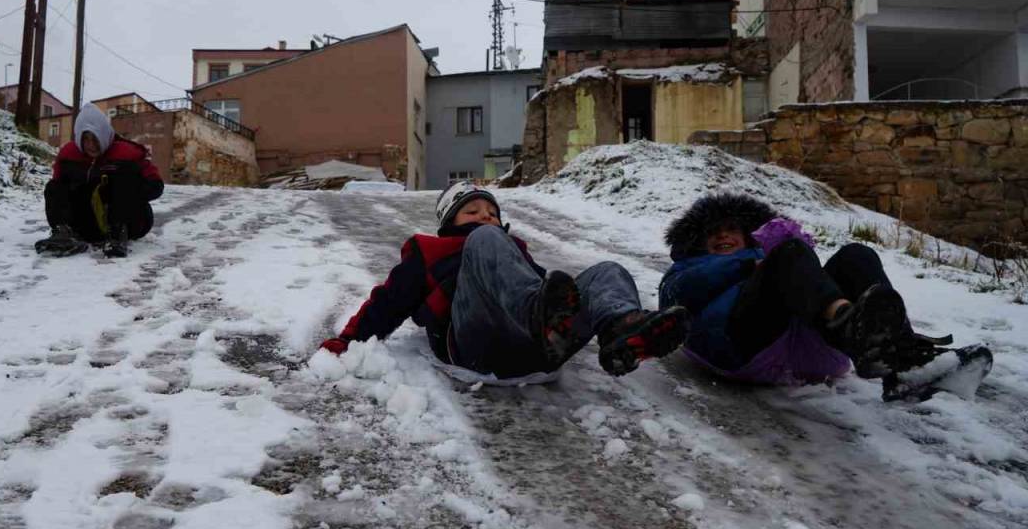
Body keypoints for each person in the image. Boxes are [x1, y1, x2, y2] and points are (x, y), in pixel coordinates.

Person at [318, 182, 689, 384]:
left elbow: (555, 293)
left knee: (608, 271)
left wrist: (577, 308)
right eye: (473, 211)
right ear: (450, 221)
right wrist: (349, 340)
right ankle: (537, 320)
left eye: (493, 213)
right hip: (476, 344)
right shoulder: (431, 250)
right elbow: (389, 301)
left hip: (538, 352)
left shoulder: (510, 247)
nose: (487, 217)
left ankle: (621, 331)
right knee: (487, 242)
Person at [657, 192, 950, 397]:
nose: (723, 236)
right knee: (790, 253)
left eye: (731, 229)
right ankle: (849, 325)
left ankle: (903, 357)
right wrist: (748, 264)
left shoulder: (773, 257)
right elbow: (679, 293)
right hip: (741, 346)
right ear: (698, 242)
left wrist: (778, 257)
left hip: (809, 348)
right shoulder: (688, 267)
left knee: (856, 255)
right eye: (713, 232)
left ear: (747, 234)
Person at [34, 104, 164, 258]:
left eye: (95, 138)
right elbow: (56, 189)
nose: (91, 145)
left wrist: (125, 194)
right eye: (86, 139)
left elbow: (156, 185)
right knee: (54, 186)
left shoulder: (126, 153)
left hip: (130, 222)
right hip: (86, 224)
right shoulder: (69, 154)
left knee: (122, 178)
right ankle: (64, 232)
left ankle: (117, 234)